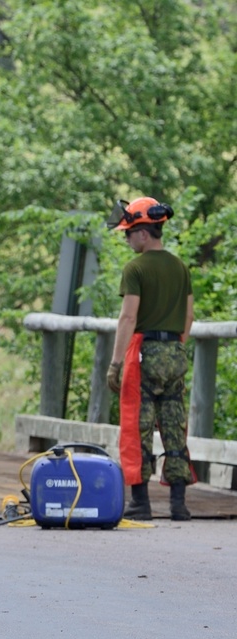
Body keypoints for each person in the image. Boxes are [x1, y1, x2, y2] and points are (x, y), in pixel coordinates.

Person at [106, 197, 194, 521]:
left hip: (145, 354)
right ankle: (178, 504)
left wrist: (115, 364)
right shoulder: (180, 267)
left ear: (143, 233)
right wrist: (175, 346)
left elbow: (128, 318)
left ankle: (140, 503)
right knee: (174, 426)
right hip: (175, 353)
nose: (127, 239)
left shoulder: (136, 268)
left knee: (137, 426)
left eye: (128, 233)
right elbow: (189, 316)